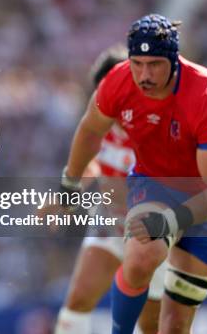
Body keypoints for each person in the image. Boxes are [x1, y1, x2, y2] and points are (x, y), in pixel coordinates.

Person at [59, 14, 207, 333]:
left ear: (174, 60)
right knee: (142, 255)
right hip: (153, 187)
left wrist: (172, 221)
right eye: (137, 63)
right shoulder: (118, 81)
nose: (144, 75)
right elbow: (88, 131)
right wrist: (69, 183)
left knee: (173, 325)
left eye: (154, 64)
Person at [55, 45, 165, 334]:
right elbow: (94, 160)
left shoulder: (156, 126)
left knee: (151, 324)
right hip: (111, 224)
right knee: (77, 301)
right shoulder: (98, 124)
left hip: (151, 235)